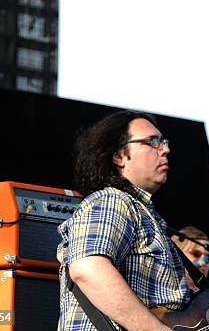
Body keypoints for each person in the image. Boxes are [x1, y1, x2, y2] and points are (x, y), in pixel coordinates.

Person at [57, 110, 185, 330]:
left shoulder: (151, 218)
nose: (165, 149)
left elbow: (190, 317)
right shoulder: (112, 200)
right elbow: (88, 267)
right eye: (152, 142)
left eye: (163, 141)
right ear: (119, 156)